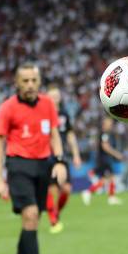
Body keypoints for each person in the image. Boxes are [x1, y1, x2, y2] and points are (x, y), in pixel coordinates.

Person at [0, 62, 67, 254]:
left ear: (39, 82)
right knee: (31, 214)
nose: (30, 85)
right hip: (18, 165)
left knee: (31, 221)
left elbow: (54, 134)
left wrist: (60, 160)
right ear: (16, 83)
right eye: (25, 81)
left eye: (33, 80)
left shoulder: (48, 105)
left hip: (43, 165)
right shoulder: (7, 107)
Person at [45, 85, 82, 234]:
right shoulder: (43, 113)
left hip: (62, 156)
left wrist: (76, 154)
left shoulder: (64, 114)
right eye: (51, 96)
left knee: (66, 189)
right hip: (47, 156)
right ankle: (53, 220)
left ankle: (55, 212)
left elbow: (70, 135)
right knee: (52, 189)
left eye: (56, 96)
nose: (54, 99)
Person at [81, 117, 124, 206]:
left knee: (109, 178)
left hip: (104, 159)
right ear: (105, 123)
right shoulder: (104, 134)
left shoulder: (106, 134)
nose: (111, 125)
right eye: (109, 123)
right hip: (104, 160)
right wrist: (116, 154)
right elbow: (105, 147)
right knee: (107, 179)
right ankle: (89, 192)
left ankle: (110, 198)